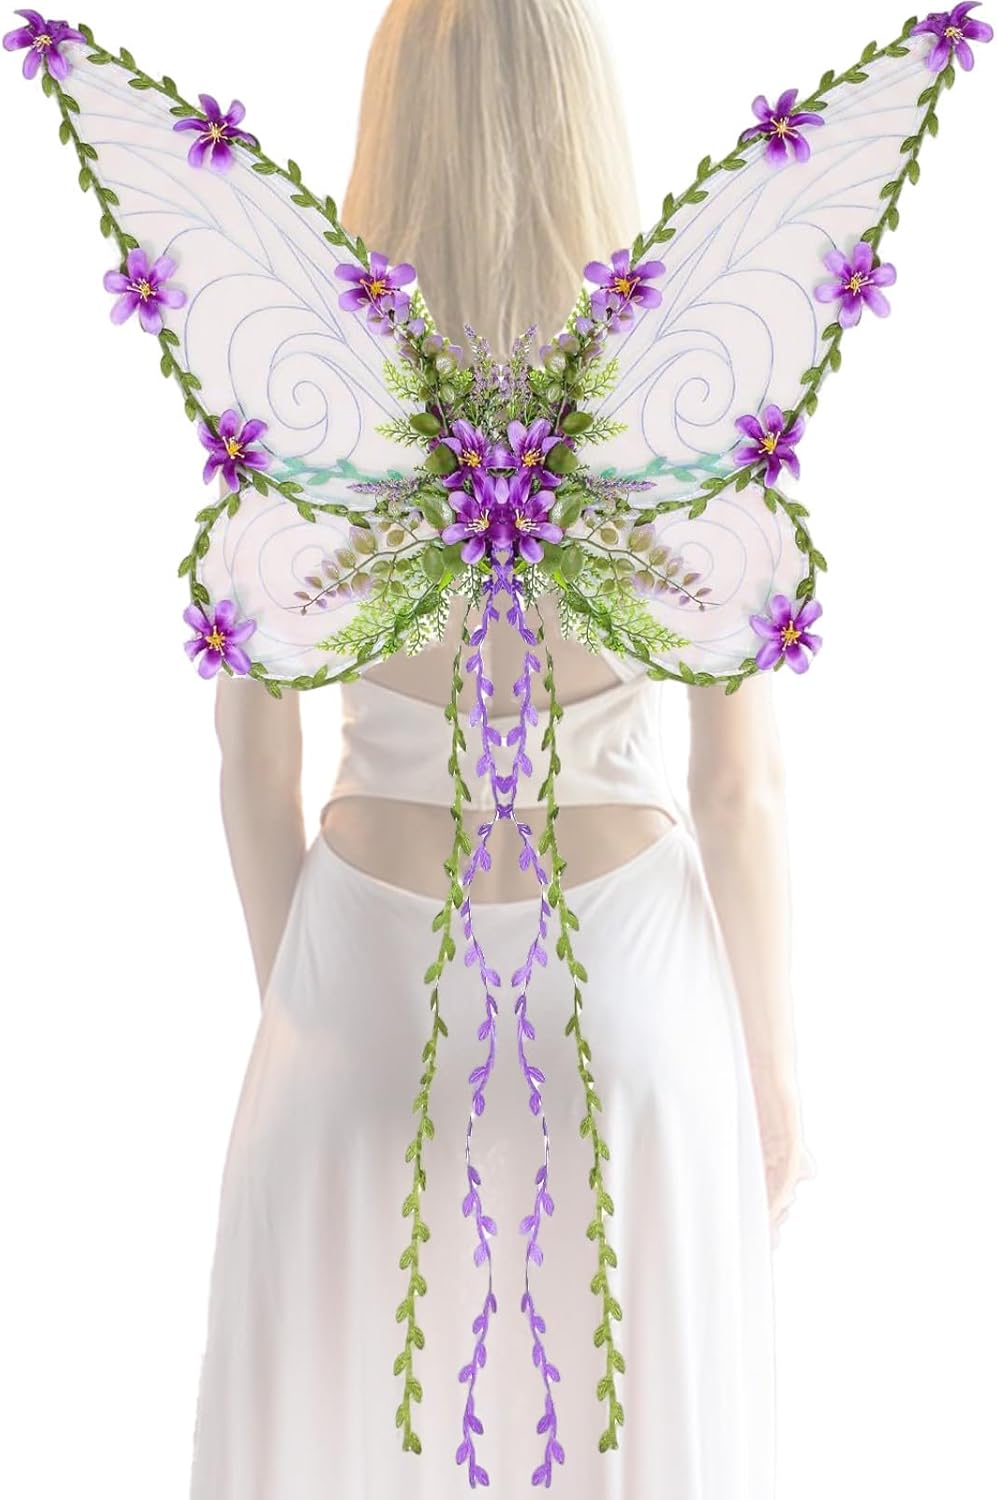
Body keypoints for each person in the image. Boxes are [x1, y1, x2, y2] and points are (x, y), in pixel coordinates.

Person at [193, 1, 813, 1494]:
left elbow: (252, 771)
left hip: (368, 993)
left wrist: (315, 999)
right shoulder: (685, 401)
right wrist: (772, 1073)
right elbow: (739, 788)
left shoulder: (299, 404)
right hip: (625, 1006)